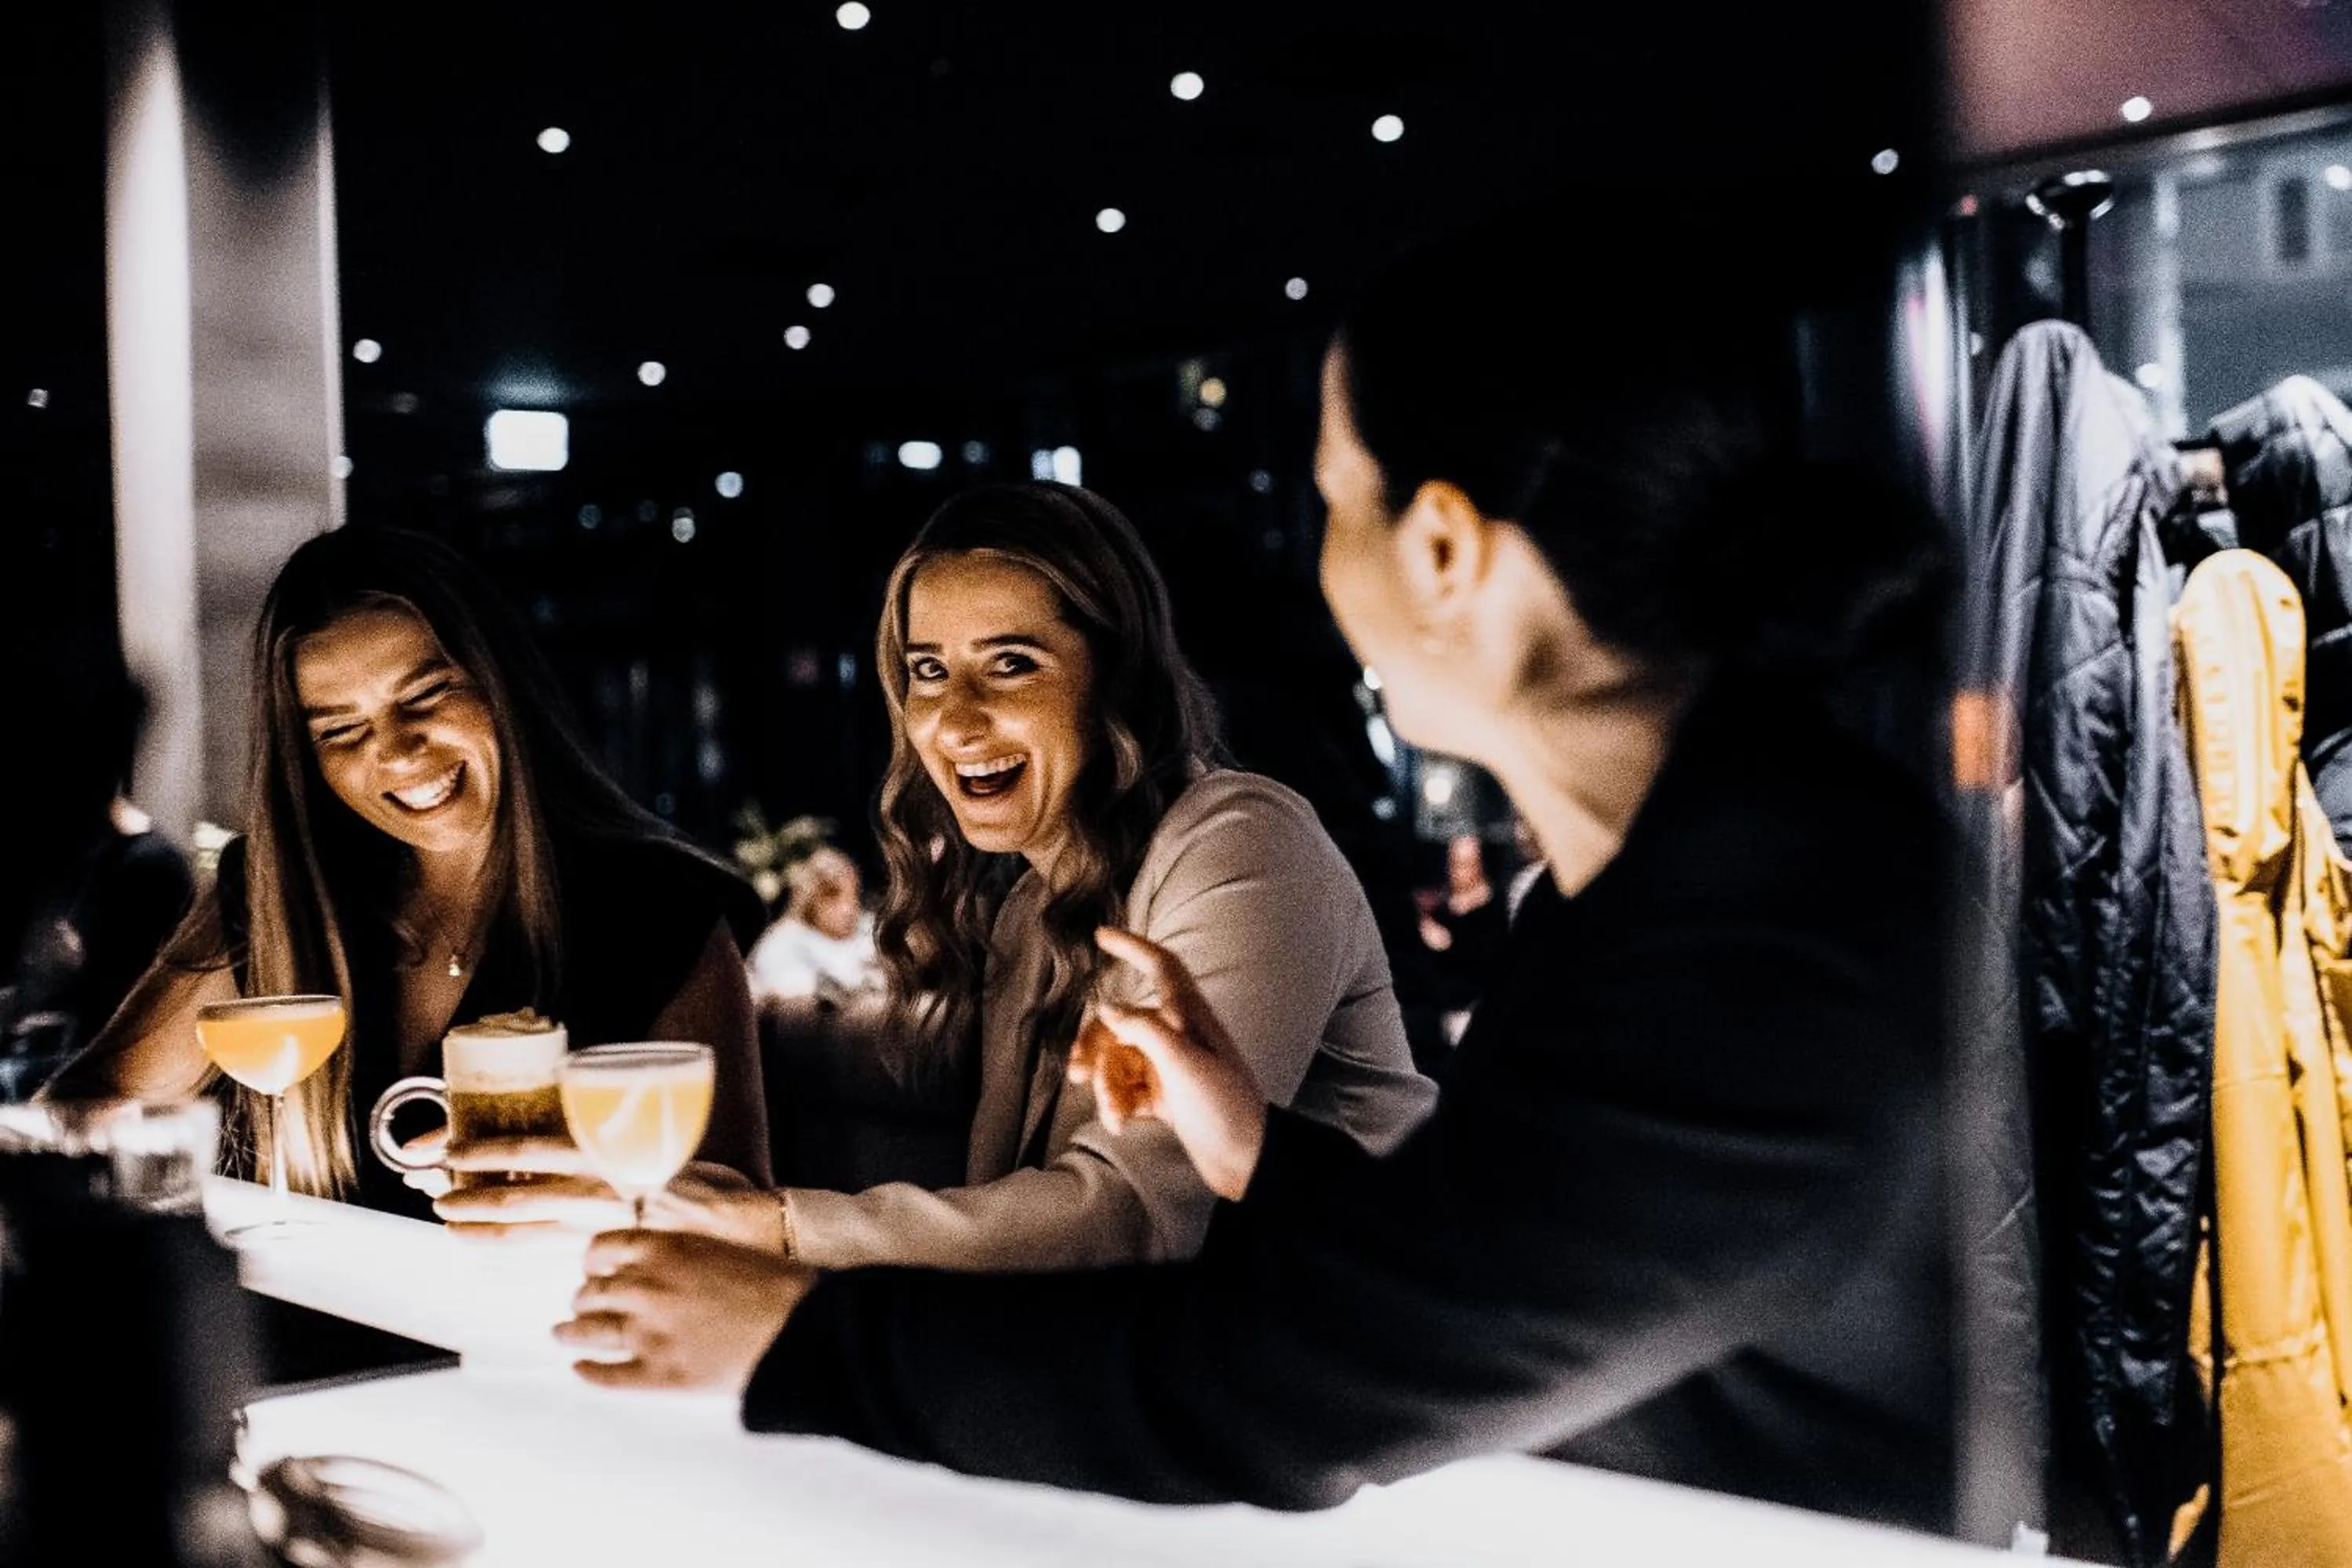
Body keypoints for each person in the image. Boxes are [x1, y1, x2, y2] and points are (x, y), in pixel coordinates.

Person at [547, 225, 1958, 1534]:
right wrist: (1250, 1146)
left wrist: (796, 1339)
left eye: (1335, 494)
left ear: (1446, 550)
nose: (1319, 555)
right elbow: (1492, 1263)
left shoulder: (1765, 938)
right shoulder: (1671, 876)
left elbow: (1289, 1389)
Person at [444, 483, 1435, 1271]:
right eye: (927, 670)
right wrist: (700, 1015)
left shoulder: (1238, 840)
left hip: (1378, 1386)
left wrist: (768, 1224)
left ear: (1115, 676)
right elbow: (917, 1056)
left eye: (1010, 664)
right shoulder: (1034, 901)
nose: (955, 722)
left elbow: (1132, 1217)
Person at [54, 527, 772, 1214]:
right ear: (308, 760)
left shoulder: (661, 906)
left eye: (426, 697)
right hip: (304, 1333)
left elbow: (737, 1210)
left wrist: (590, 1188)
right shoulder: (280, 895)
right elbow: (88, 1107)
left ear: (500, 683)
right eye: (342, 730)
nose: (396, 753)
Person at [744, 842, 884, 1006]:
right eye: (833, 897)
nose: (848, 908)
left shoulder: (870, 929)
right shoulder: (784, 941)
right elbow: (787, 992)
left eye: (852, 895)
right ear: (811, 900)